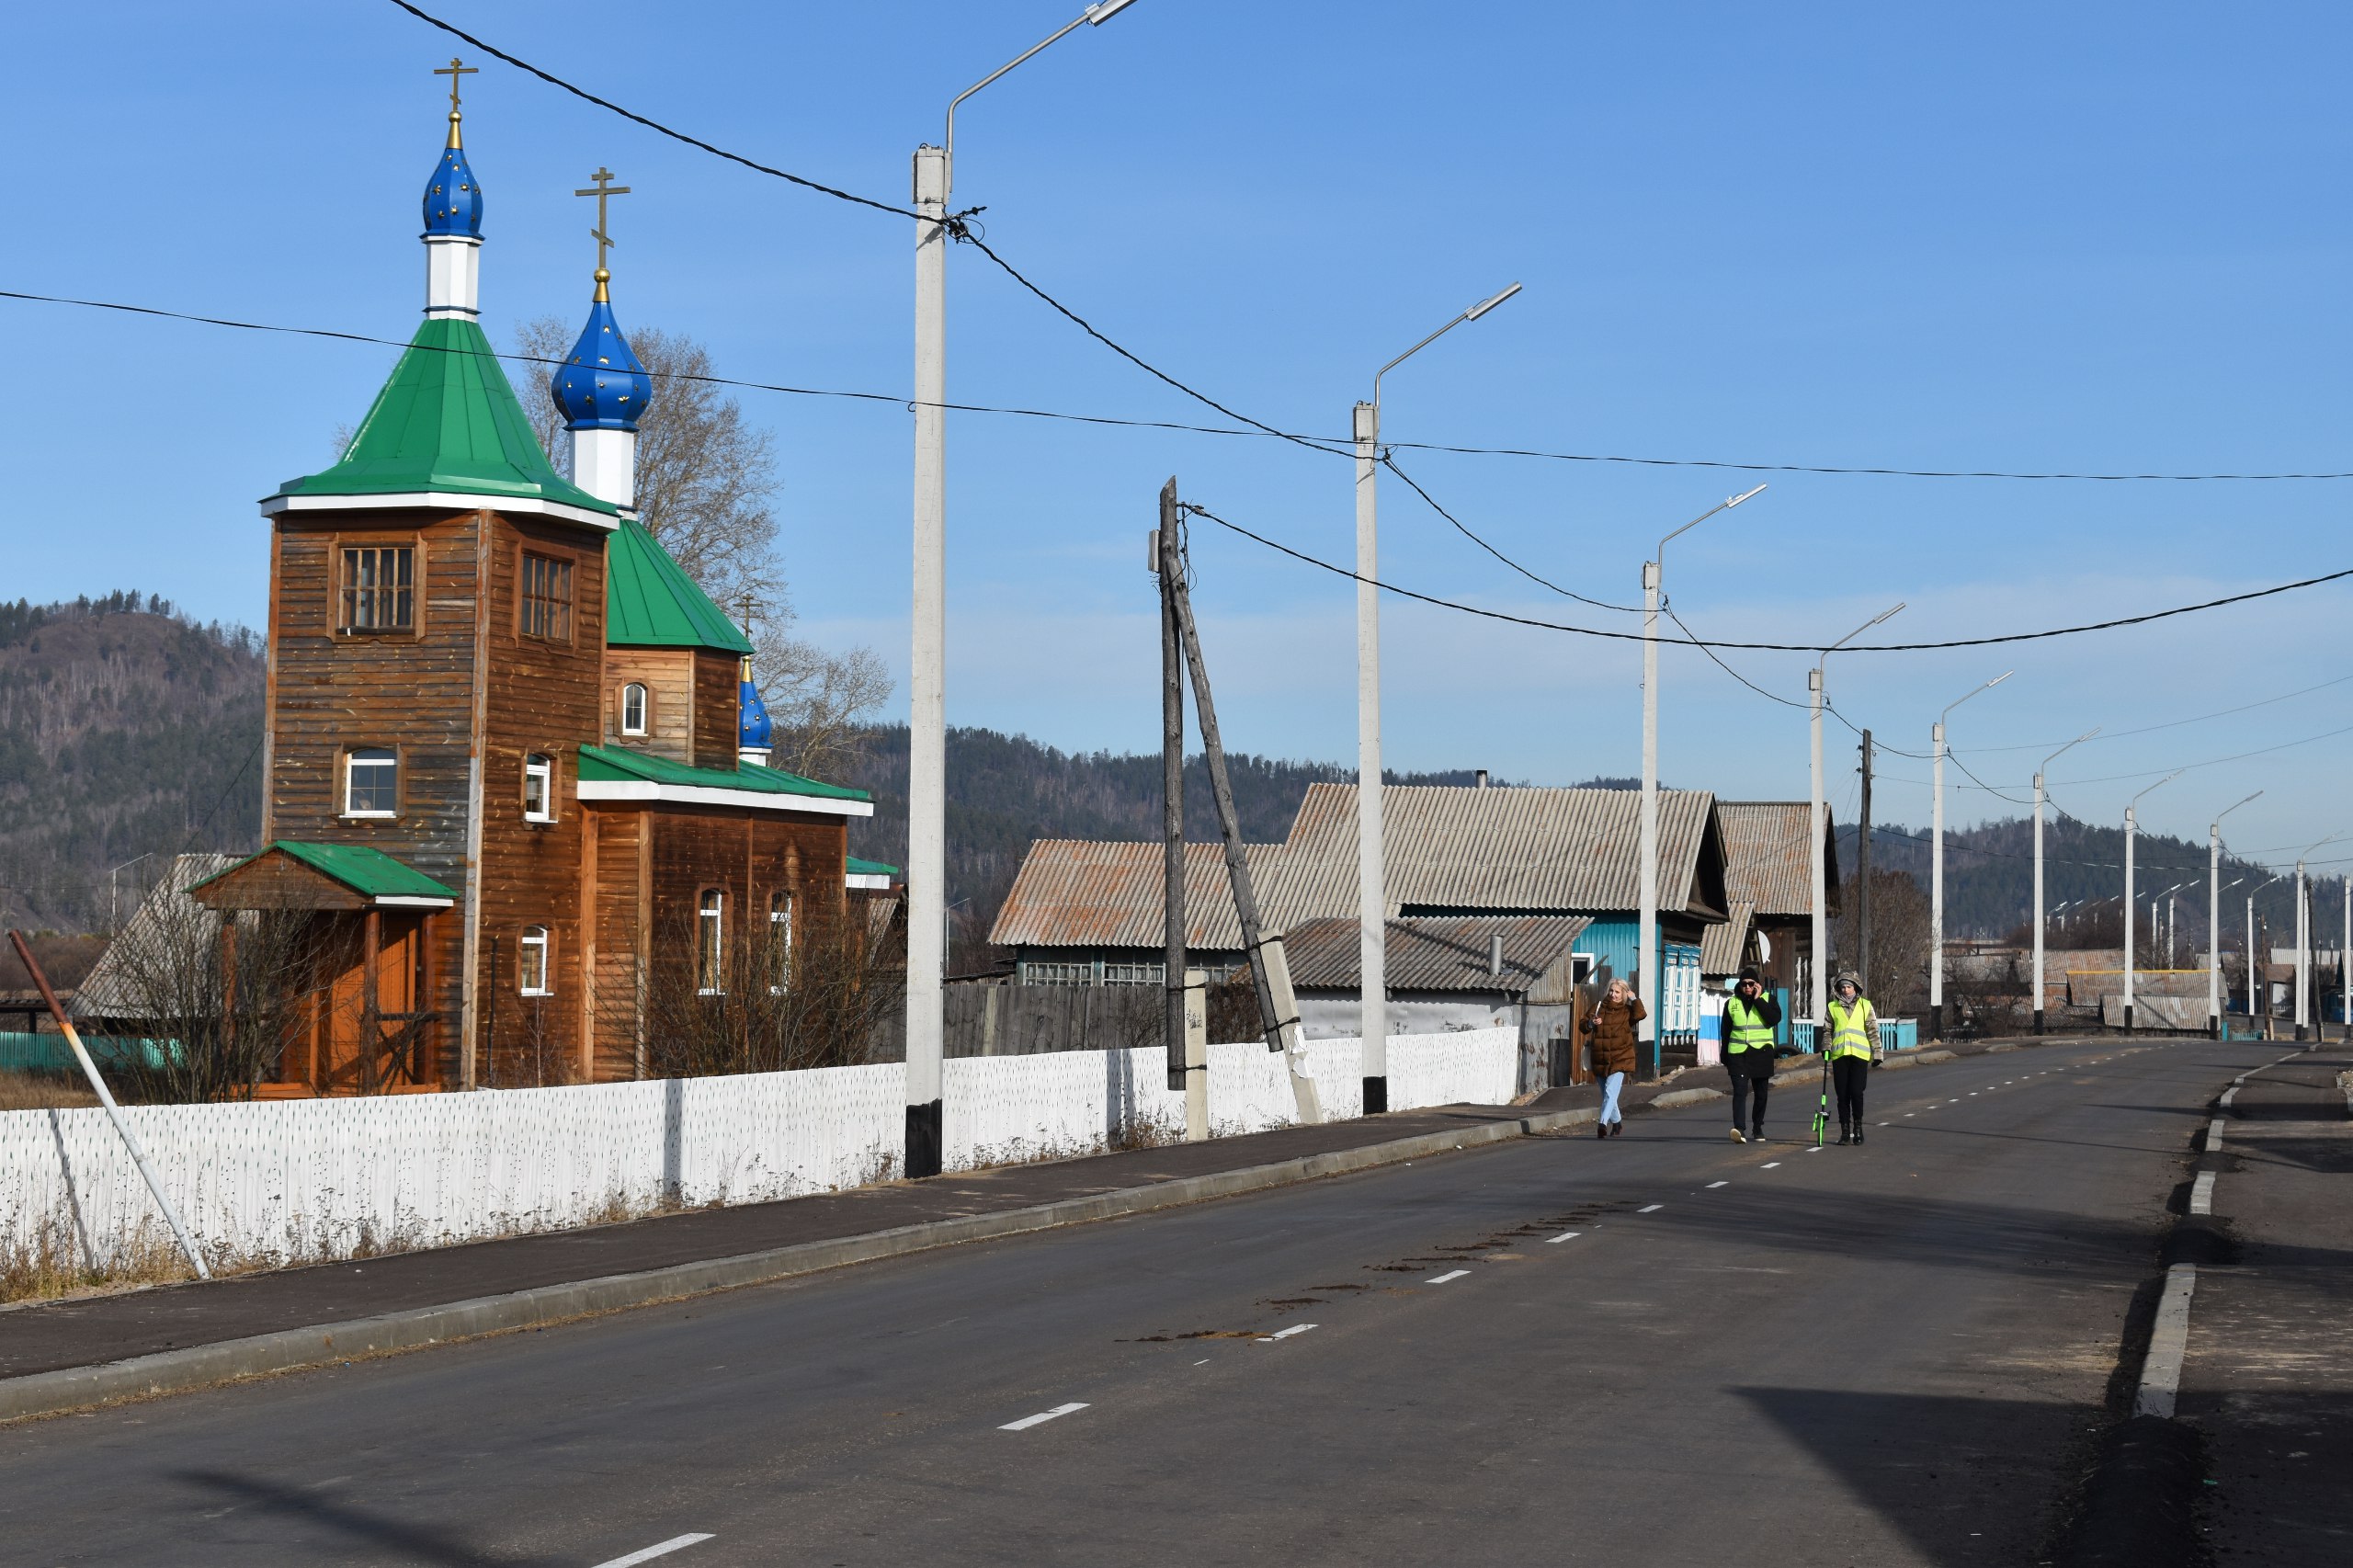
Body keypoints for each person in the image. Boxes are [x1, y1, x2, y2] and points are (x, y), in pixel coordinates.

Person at [1722, 965, 1783, 1142]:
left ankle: (1757, 1127)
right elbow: (1725, 1031)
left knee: (1761, 1093)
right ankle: (1739, 1129)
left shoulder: (1768, 999)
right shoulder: (1732, 1003)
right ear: (1739, 986)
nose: (1747, 987)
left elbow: (1773, 1020)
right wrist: (1724, 1054)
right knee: (1740, 1091)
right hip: (1738, 1054)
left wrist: (1758, 1000)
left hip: (1761, 1054)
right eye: (1744, 984)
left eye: (1751, 984)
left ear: (1757, 985)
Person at [1579, 976, 1643, 1139]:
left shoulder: (1627, 1012)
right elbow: (1583, 1025)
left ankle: (1602, 1123)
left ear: (1623, 994)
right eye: (1611, 991)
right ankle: (1617, 1122)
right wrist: (1592, 1023)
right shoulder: (1598, 1007)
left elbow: (1641, 1014)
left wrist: (1634, 998)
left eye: (1617, 992)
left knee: (1610, 1091)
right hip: (1600, 1057)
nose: (1613, 994)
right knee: (1608, 1095)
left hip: (1620, 1057)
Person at [1825, 971, 1881, 1144]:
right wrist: (1825, 1047)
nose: (1846, 990)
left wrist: (1877, 1053)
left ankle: (1858, 1127)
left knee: (1856, 1092)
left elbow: (1872, 1030)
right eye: (1843, 987)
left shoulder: (1865, 1005)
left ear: (1855, 987)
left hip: (1859, 1055)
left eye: (1849, 986)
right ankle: (1844, 1130)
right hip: (1840, 1055)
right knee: (1842, 1095)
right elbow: (1827, 1030)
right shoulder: (1832, 1007)